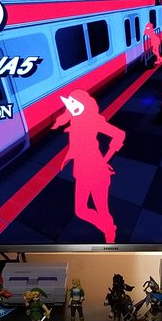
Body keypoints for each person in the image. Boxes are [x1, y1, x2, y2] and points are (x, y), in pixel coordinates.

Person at [52, 89, 125, 243]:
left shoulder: (93, 120)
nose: (72, 106)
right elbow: (77, 144)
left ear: (84, 103)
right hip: (81, 171)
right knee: (80, 210)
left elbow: (119, 134)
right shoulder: (75, 121)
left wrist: (105, 160)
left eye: (75, 102)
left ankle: (110, 237)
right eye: (70, 103)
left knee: (102, 209)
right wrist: (67, 158)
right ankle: (108, 227)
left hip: (97, 172)